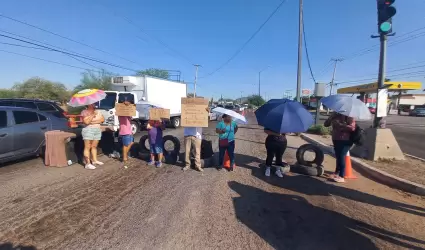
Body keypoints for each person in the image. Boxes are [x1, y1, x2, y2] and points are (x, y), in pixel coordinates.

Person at [324, 113, 356, 183]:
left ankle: (342, 176)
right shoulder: (335, 115)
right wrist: (331, 117)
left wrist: (340, 125)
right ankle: (336, 173)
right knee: (338, 156)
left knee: (341, 156)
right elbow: (326, 124)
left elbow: (352, 128)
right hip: (336, 138)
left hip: (346, 140)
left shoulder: (349, 116)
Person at [183, 107, 210, 172]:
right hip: (187, 134)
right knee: (187, 152)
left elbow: (207, 121)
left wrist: (208, 113)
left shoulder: (201, 113)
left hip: (197, 135)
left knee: (197, 152)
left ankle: (198, 166)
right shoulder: (186, 111)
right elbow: (183, 119)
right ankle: (187, 165)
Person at [81, 104, 105, 170]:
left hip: (97, 130)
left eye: (95, 103)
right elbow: (86, 122)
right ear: (88, 104)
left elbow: (102, 120)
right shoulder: (84, 112)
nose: (94, 104)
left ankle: (95, 160)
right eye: (93, 103)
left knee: (94, 146)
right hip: (88, 130)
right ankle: (88, 164)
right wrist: (93, 115)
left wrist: (92, 122)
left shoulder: (98, 111)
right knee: (87, 147)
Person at [118, 101, 134, 167]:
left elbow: (131, 116)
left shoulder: (127, 113)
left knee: (131, 143)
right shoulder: (121, 113)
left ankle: (124, 155)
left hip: (129, 131)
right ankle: (124, 158)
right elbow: (120, 110)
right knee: (125, 145)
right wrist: (124, 104)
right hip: (124, 131)